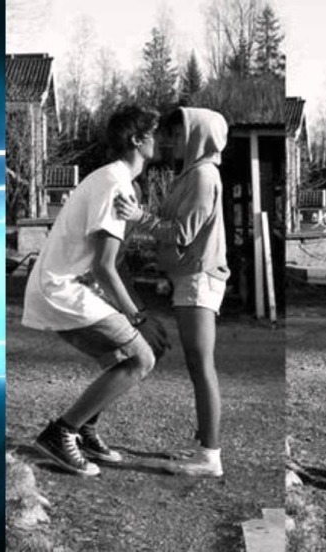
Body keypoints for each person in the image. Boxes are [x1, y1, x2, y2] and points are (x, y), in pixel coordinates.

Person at [25, 105, 170, 477]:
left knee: (119, 356)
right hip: (60, 289)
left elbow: (109, 264)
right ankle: (61, 433)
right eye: (153, 133)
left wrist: (132, 312)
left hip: (66, 286)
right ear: (136, 140)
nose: (159, 139)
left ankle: (85, 429)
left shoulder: (116, 180)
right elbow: (104, 267)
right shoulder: (114, 183)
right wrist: (137, 317)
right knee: (140, 358)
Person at [114, 107, 229, 477]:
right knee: (199, 365)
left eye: (180, 134)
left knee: (202, 365)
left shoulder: (203, 176)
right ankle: (206, 445)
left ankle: (210, 456)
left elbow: (182, 232)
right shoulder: (192, 174)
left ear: (198, 137)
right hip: (191, 276)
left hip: (199, 278)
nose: (172, 141)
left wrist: (138, 217)